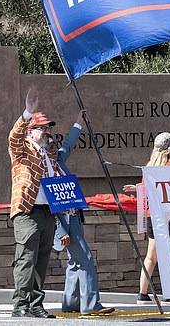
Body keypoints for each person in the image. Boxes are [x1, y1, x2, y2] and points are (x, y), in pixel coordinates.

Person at [53, 110, 115, 316]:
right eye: (50, 145)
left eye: (54, 144)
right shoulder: (48, 170)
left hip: (74, 217)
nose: (55, 147)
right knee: (85, 259)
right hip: (65, 222)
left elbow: (68, 144)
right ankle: (90, 304)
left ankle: (70, 303)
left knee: (75, 261)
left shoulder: (59, 161)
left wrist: (78, 124)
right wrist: (62, 231)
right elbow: (54, 205)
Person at [8, 89, 58, 318]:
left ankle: (36, 304)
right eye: (42, 128)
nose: (46, 131)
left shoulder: (48, 154)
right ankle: (20, 305)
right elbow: (14, 137)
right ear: (31, 131)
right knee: (26, 258)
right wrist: (28, 112)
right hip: (27, 211)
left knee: (41, 259)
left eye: (48, 128)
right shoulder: (22, 149)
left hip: (47, 212)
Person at [123, 132, 170, 304]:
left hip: (152, 216)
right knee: (168, 255)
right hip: (167, 216)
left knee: (151, 256)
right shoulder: (169, 168)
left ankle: (143, 293)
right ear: (169, 149)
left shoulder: (149, 166)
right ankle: (169, 292)